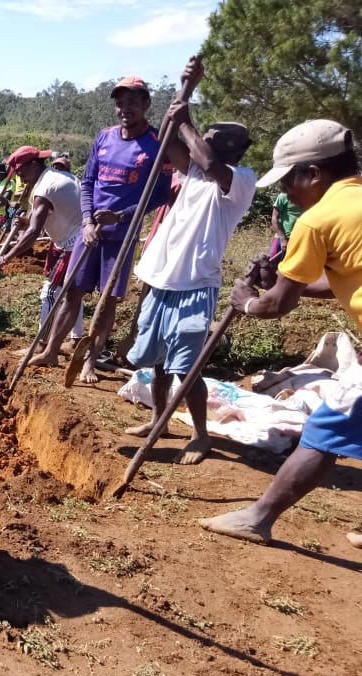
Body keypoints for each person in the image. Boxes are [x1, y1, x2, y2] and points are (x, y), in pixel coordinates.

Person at [199, 119, 362, 550]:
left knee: (327, 430)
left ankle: (257, 517)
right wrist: (285, 278)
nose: (286, 191)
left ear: (313, 174)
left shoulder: (317, 219)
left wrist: (247, 301)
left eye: (290, 179)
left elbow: (276, 306)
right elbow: (341, 278)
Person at [123, 64, 257, 465]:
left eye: (214, 141)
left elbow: (202, 154)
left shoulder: (238, 179)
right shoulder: (196, 173)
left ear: (230, 149)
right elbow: (170, 143)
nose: (207, 145)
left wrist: (185, 118)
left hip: (196, 284)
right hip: (164, 279)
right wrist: (182, 99)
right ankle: (159, 419)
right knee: (159, 361)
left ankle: (200, 436)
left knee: (188, 367)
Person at [29, 74, 173, 383]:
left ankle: (89, 362)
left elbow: (161, 193)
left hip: (122, 235)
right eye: (120, 104)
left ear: (146, 104)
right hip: (90, 230)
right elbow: (88, 183)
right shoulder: (104, 137)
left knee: (108, 301)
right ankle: (51, 350)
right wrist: (87, 221)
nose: (125, 109)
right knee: (72, 293)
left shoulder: (157, 144)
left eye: (133, 102)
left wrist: (122, 217)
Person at [0, 146, 84, 346]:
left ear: (34, 165)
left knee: (50, 293)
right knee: (73, 291)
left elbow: (33, 233)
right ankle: (76, 337)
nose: (20, 177)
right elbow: (42, 214)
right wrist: (28, 220)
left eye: (21, 172)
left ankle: (42, 343)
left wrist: (5, 257)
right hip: (79, 238)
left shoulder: (44, 189)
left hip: (74, 243)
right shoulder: (53, 178)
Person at [270, 190, 302, 256]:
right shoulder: (283, 196)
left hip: (300, 239)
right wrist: (283, 239)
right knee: (272, 263)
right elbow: (274, 218)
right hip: (282, 238)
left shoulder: (311, 196)